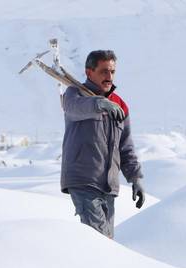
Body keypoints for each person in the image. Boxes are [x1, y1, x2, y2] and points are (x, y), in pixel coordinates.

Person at [60, 50, 144, 239]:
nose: (109, 77)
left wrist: (135, 178)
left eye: (112, 72)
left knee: (106, 243)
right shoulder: (74, 95)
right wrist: (100, 103)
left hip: (108, 185)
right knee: (98, 238)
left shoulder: (119, 104)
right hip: (83, 180)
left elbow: (125, 146)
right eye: (104, 71)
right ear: (89, 73)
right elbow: (74, 108)